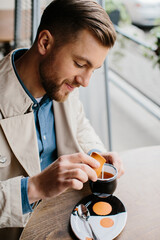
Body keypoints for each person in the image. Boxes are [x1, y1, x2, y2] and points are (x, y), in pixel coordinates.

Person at [0, 0, 124, 239]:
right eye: (80, 64)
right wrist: (34, 188)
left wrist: (97, 154)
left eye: (94, 69)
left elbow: (80, 125)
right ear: (45, 43)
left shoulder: (61, 84)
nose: (85, 81)